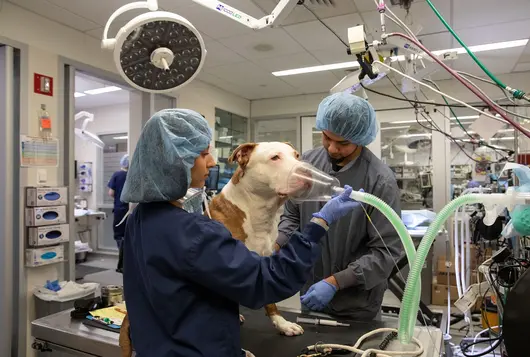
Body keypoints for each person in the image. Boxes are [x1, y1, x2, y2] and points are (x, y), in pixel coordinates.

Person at [120, 108, 361, 357]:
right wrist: (318, 225)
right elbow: (265, 281)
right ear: (173, 162)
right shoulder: (195, 233)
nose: (213, 162)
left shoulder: (138, 218)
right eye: (204, 155)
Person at [277, 92, 403, 320]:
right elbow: (292, 216)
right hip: (310, 292)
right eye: (326, 138)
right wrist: (276, 247)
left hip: (355, 303)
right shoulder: (308, 163)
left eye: (343, 143)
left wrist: (336, 282)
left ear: (361, 139)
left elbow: (387, 252)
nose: (332, 148)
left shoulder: (380, 180)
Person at [108, 154, 129, 273]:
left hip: (120, 210)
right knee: (129, 235)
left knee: (119, 236)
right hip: (132, 210)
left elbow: (111, 193)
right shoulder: (134, 175)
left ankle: (122, 262)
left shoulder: (117, 175)